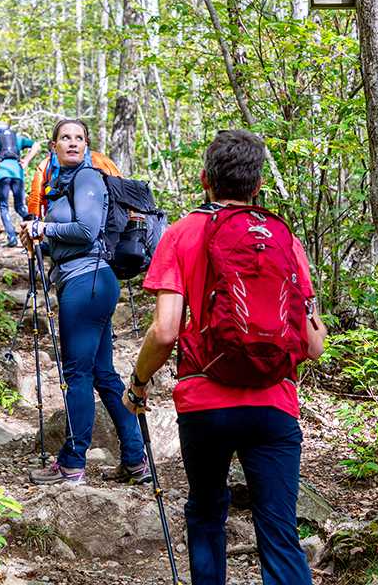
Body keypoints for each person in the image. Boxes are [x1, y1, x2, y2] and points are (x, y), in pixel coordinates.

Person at [123, 129, 326, 585]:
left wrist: (137, 383)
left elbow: (165, 331)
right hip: (273, 405)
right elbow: (314, 344)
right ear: (257, 186)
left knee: (207, 513)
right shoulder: (283, 240)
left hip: (205, 405)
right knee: (278, 529)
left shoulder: (182, 233)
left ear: (204, 180)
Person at [19, 118, 149, 485]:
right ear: (54, 146)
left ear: (87, 145)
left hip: (86, 283)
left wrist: (42, 227)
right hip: (88, 281)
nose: (72, 143)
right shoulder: (60, 185)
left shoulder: (88, 178)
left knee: (77, 375)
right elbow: (69, 239)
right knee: (103, 374)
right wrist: (39, 240)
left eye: (79, 138)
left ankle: (72, 464)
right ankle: (136, 460)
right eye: (65, 138)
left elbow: (87, 231)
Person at [0, 121, 40, 248]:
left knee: (3, 206)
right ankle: (34, 225)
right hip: (18, 173)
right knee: (20, 206)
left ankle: (12, 237)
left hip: (2, 174)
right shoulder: (17, 139)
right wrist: (27, 160)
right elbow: (36, 145)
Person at [26, 145, 121, 219]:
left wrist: (34, 224)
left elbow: (35, 197)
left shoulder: (47, 164)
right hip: (99, 227)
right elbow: (120, 192)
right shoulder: (102, 160)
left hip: (57, 229)